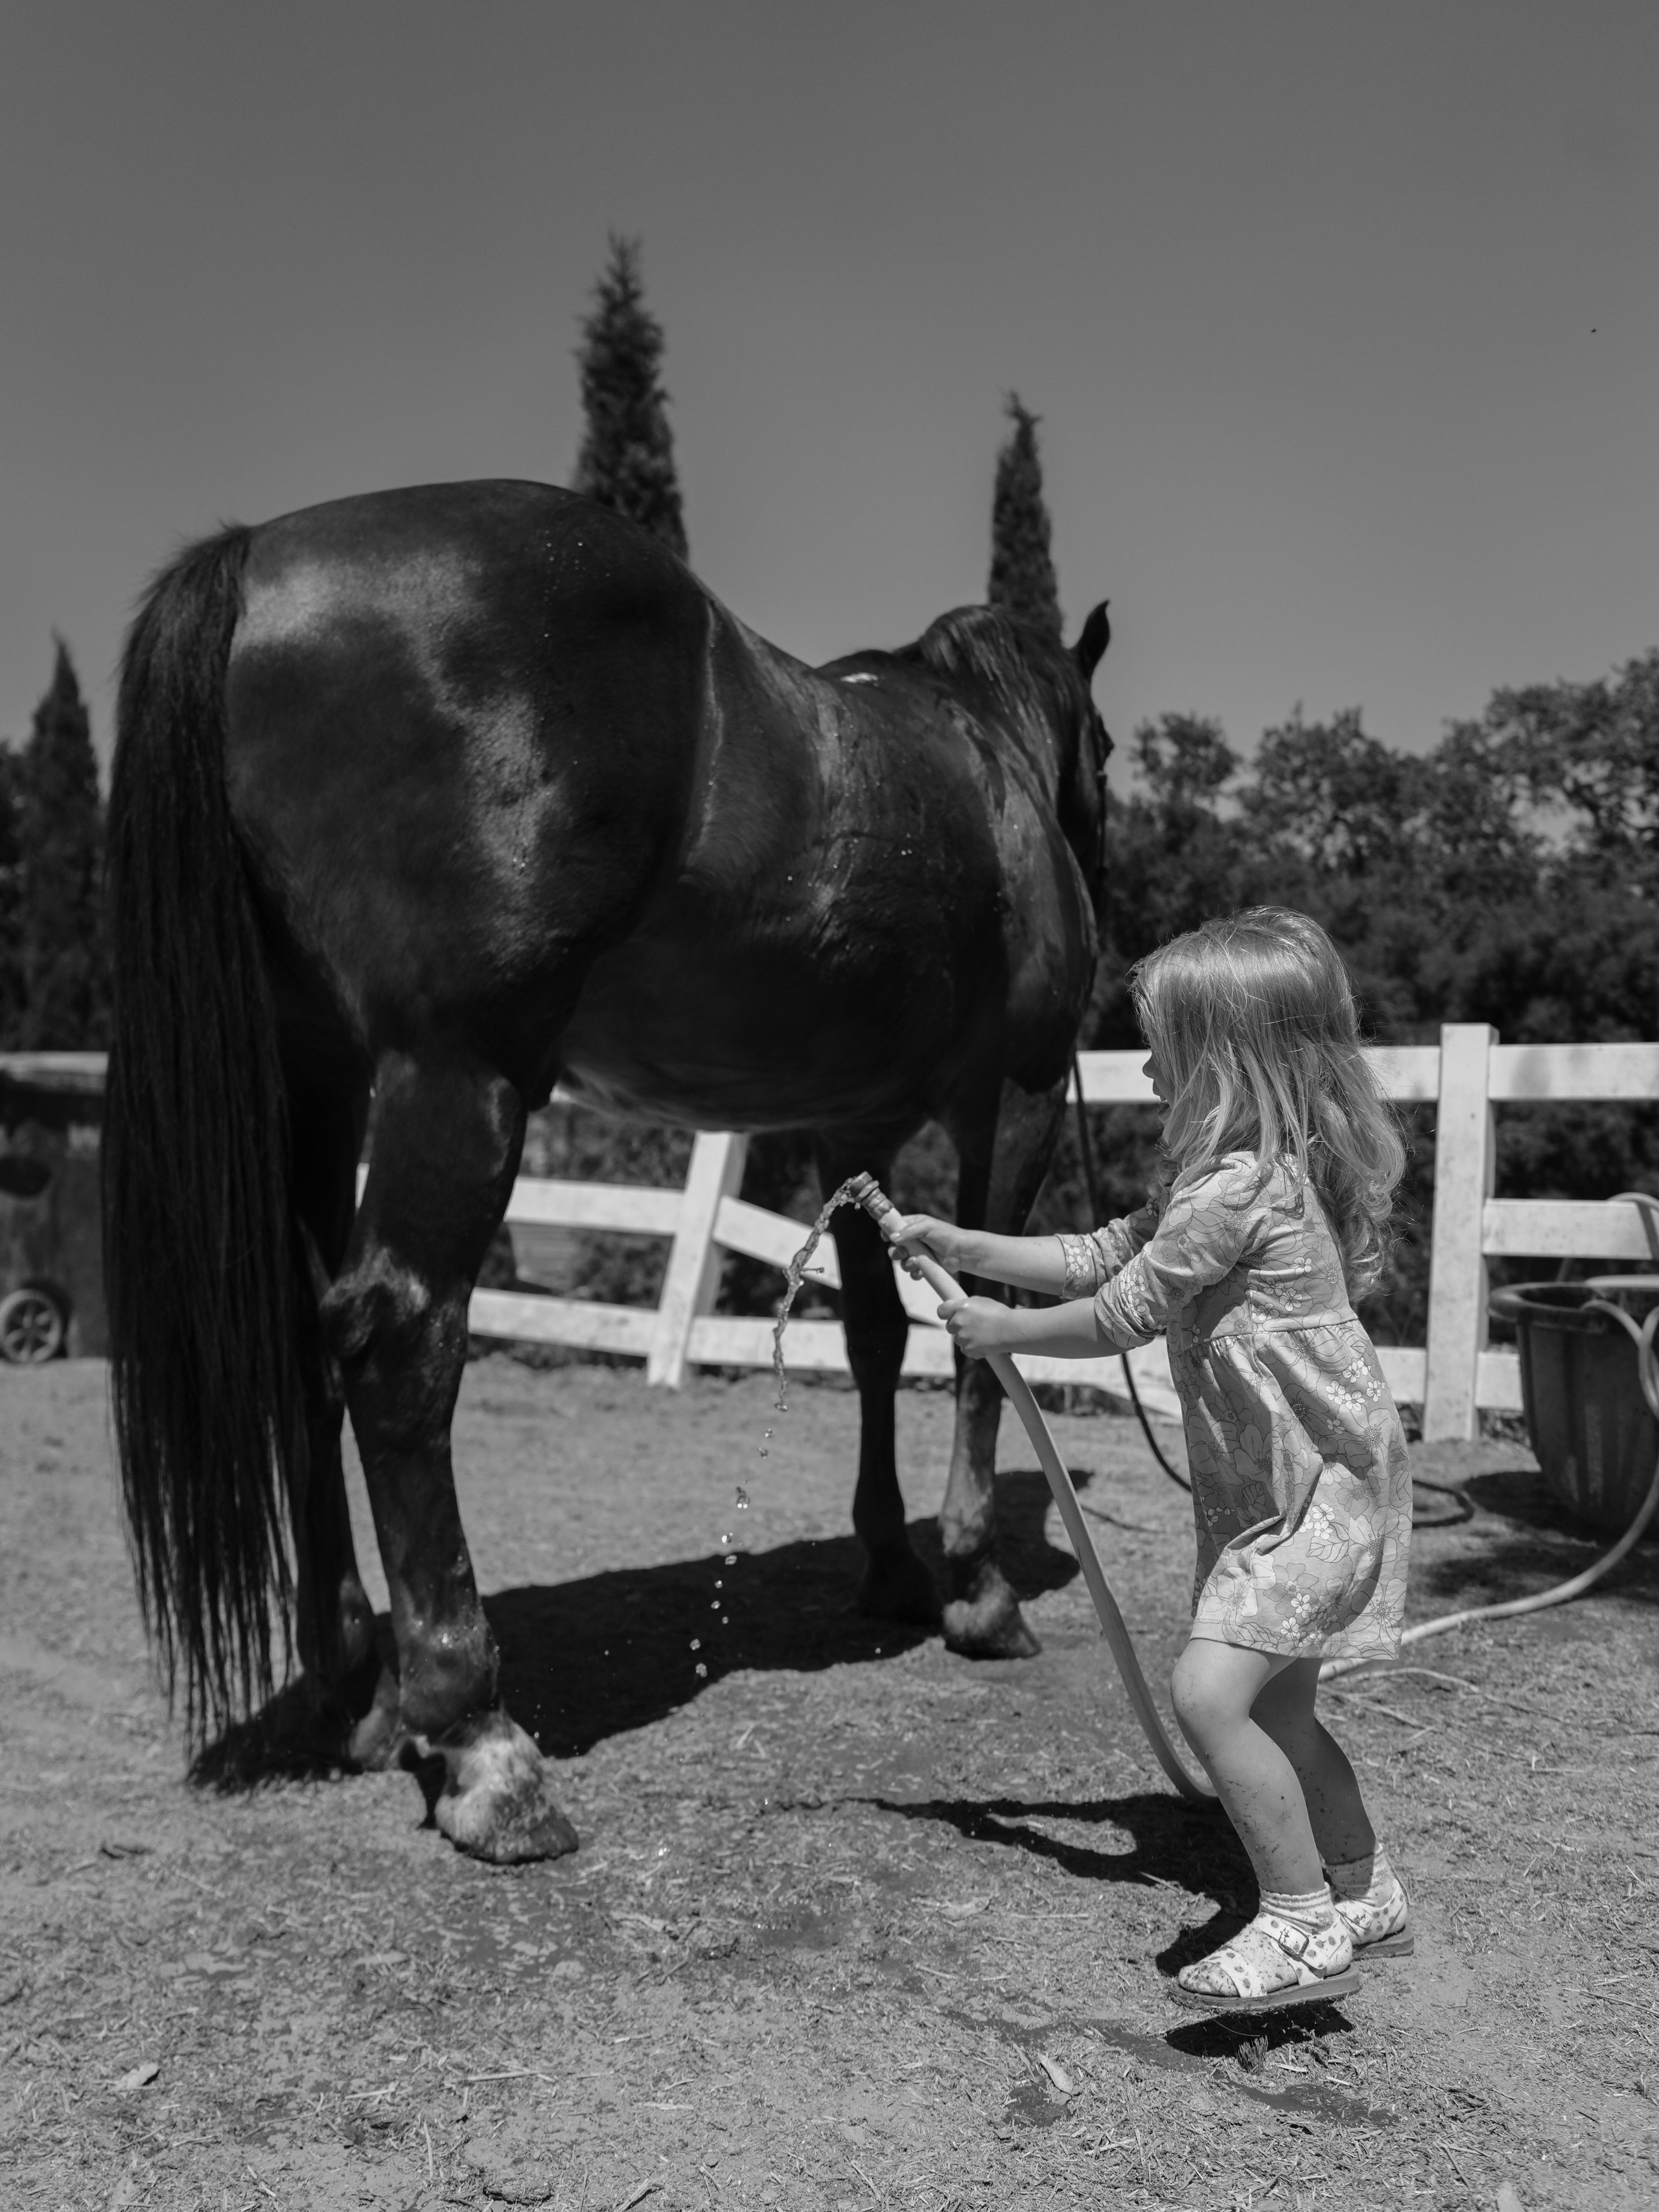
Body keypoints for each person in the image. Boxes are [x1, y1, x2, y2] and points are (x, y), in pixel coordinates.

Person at [883, 908, 1413, 2012]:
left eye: (1163, 1042)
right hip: (1295, 1487)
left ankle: (1301, 1923)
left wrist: (1002, 1332)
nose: (1145, 1062)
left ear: (1226, 1057)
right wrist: (967, 1246)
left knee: (1208, 1692)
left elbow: (1123, 1308)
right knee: (1280, 1712)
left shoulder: (1237, 1192)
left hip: (1309, 1498)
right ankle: (1364, 1886)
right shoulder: (1225, 1176)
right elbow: (1100, 1252)